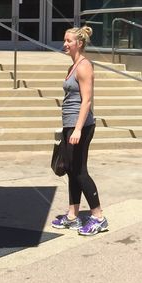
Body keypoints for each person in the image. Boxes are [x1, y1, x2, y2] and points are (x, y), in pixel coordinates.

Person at [50, 26, 107, 235]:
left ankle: (98, 216)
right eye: (64, 40)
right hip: (70, 124)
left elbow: (87, 101)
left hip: (80, 126)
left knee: (80, 171)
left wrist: (78, 129)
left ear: (79, 44)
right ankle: (73, 215)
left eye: (69, 41)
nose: (65, 44)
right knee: (72, 171)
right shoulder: (72, 66)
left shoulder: (84, 66)